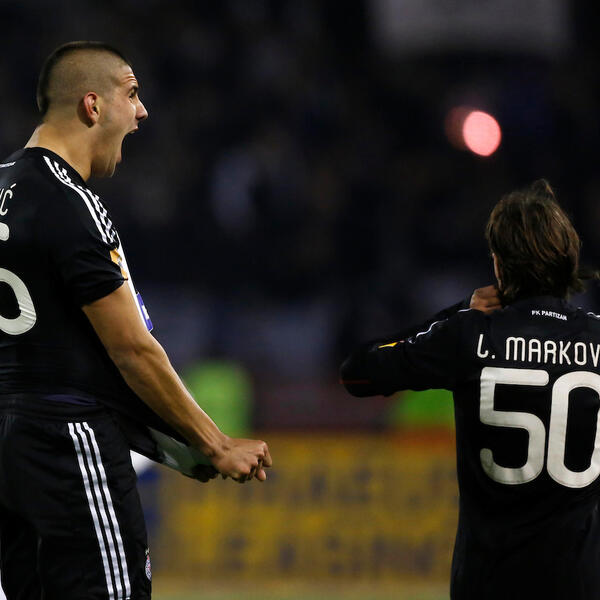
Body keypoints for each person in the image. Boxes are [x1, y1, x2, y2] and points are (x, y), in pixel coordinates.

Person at [0, 41, 271, 600]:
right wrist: (215, 442)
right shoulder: (70, 203)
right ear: (92, 105)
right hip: (68, 442)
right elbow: (132, 350)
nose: (142, 111)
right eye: (132, 93)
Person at [340, 180, 600, 600]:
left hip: (489, 582)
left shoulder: (468, 334)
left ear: (499, 264)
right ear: (570, 256)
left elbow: (356, 373)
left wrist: (458, 311)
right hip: (582, 583)